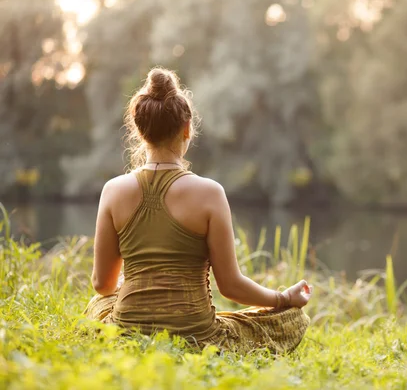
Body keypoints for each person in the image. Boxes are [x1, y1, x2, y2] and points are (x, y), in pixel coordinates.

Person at [84, 67, 312, 354]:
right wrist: (282, 298)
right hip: (197, 337)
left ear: (140, 130)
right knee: (292, 318)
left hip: (127, 332)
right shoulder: (210, 193)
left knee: (98, 305)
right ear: (187, 128)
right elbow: (230, 286)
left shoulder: (113, 190)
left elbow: (102, 285)